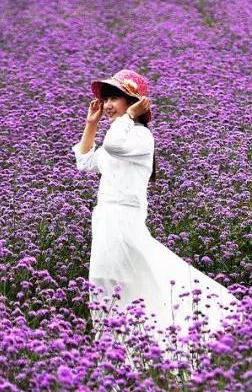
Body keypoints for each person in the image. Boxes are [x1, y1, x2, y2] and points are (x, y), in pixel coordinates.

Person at [72, 68, 241, 348]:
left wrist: (126, 118)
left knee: (131, 279)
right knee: (105, 282)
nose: (109, 105)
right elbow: (86, 163)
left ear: (134, 103)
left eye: (116, 98)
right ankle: (119, 348)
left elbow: (113, 145)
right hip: (105, 218)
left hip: (124, 218)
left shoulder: (139, 137)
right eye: (107, 99)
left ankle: (181, 334)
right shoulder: (121, 136)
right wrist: (91, 124)